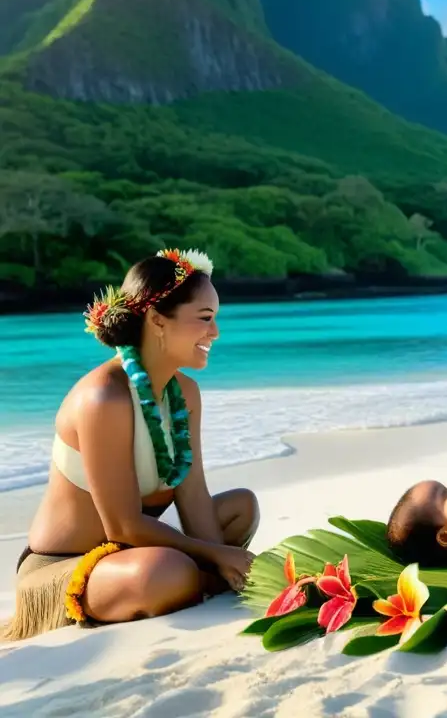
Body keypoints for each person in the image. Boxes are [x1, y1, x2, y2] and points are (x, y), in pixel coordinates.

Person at [1, 248, 260, 643]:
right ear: (158, 321)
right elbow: (122, 526)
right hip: (66, 567)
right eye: (205, 319)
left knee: (242, 507)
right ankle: (189, 578)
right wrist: (219, 555)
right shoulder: (104, 398)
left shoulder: (184, 394)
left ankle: (196, 578)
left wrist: (218, 552)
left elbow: (194, 500)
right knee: (167, 571)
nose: (216, 333)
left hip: (129, 551)